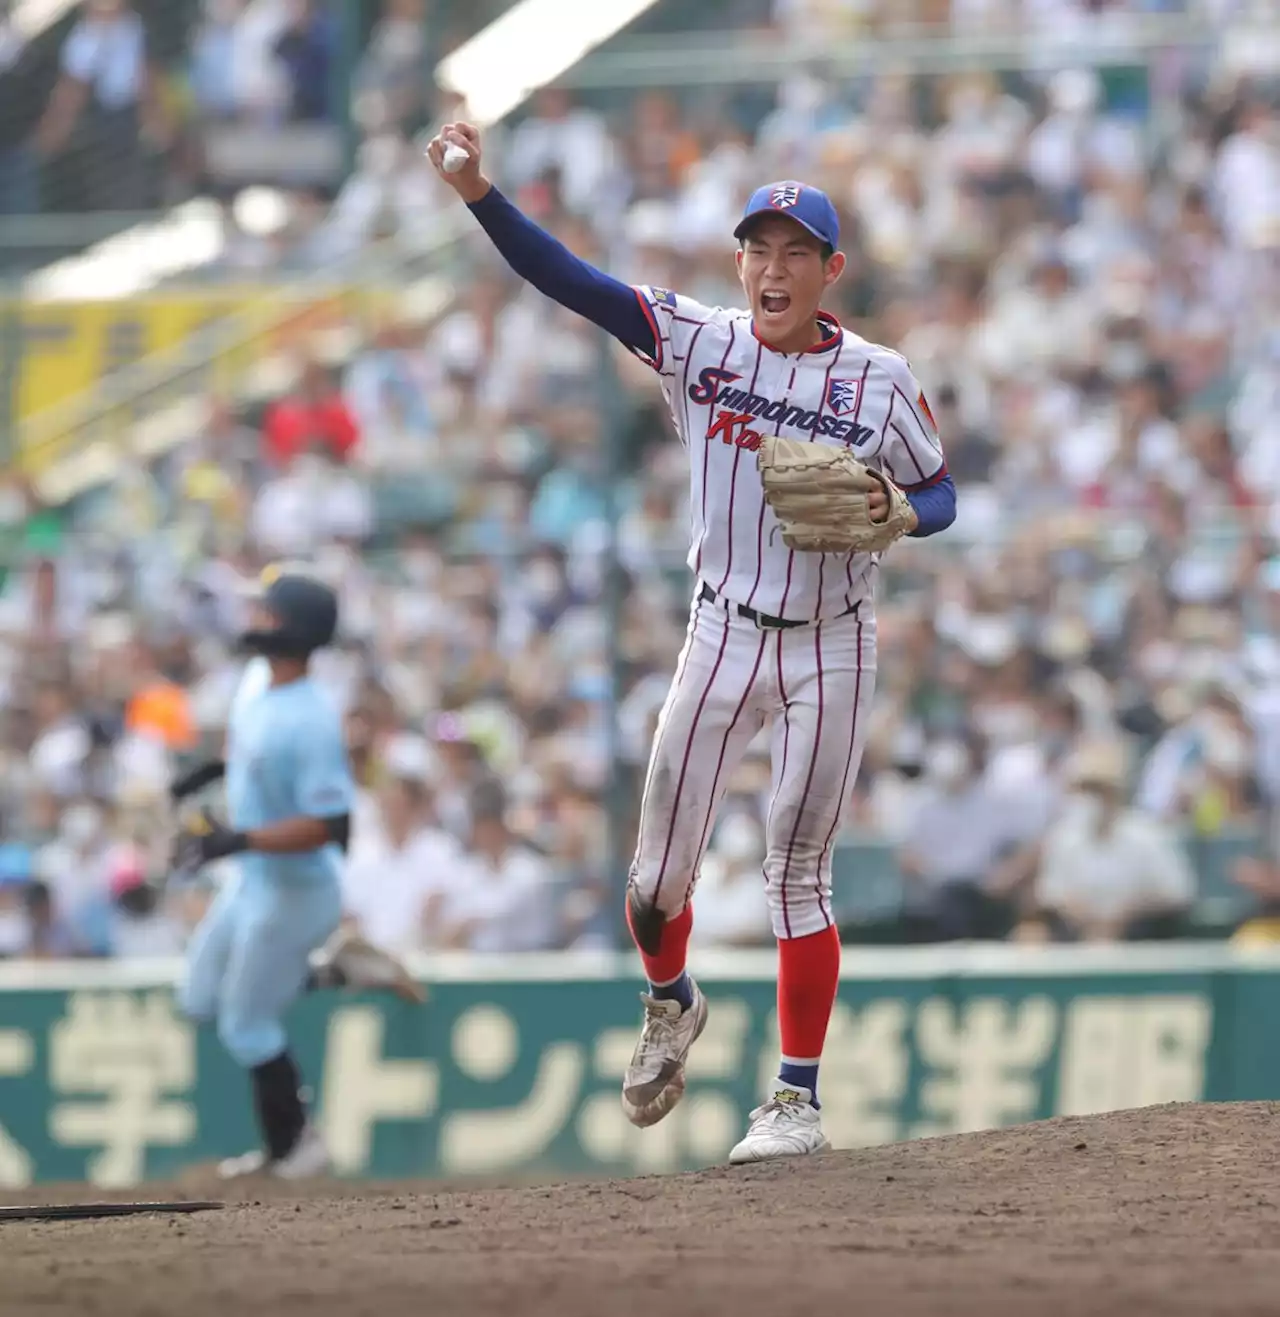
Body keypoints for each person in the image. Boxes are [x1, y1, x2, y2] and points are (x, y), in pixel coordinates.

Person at [428, 122, 957, 1163]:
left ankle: (794, 1101)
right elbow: (571, 282)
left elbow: (940, 492)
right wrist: (480, 193)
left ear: (828, 271)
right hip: (718, 628)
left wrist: (900, 508)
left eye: (794, 251)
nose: (772, 266)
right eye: (757, 248)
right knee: (652, 884)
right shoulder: (699, 340)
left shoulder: (880, 379)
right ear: (738, 262)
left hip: (829, 639)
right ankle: (670, 1001)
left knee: (796, 872)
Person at [171, 565, 423, 1180]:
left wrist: (237, 838)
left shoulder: (312, 719)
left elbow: (332, 827)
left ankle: (295, 1147)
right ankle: (337, 970)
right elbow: (245, 747)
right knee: (198, 998)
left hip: (297, 893)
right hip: (255, 881)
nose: (254, 619)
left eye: (267, 612)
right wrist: (206, 776)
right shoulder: (258, 680)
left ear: (293, 629)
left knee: (247, 1023)